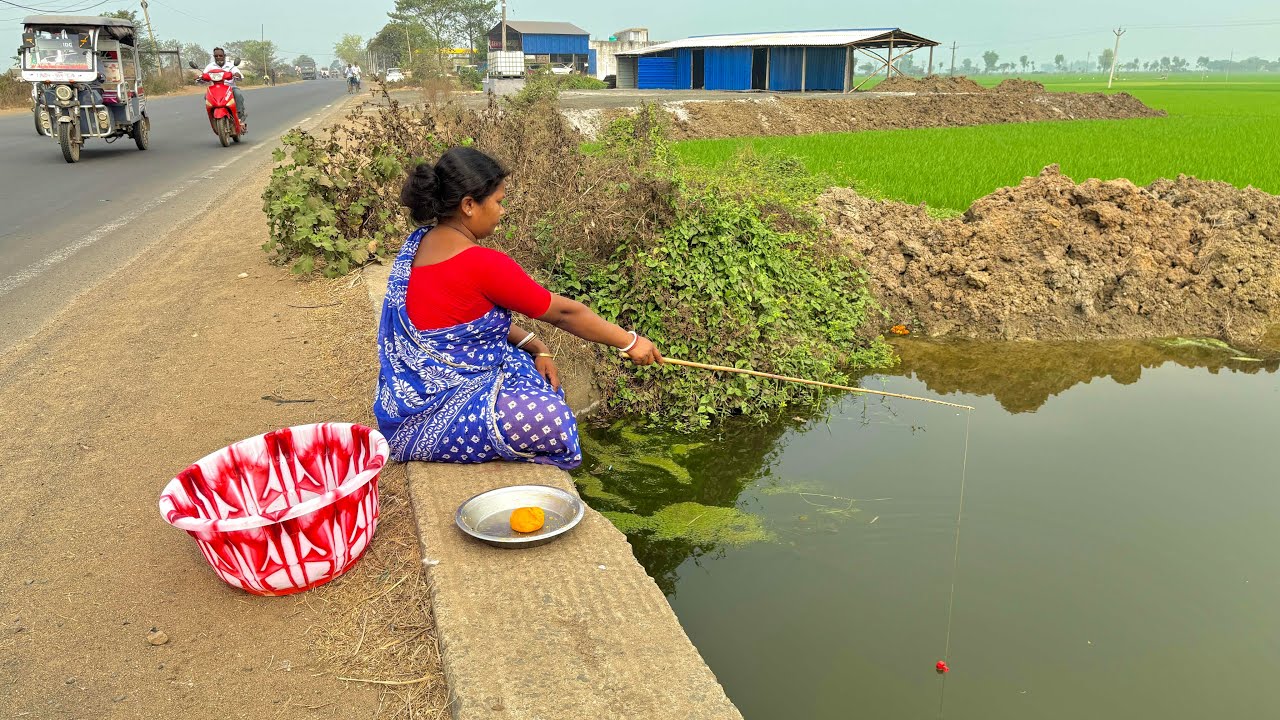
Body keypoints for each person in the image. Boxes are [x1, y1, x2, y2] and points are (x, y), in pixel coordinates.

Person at [374, 147, 661, 467]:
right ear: (469, 205)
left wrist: (536, 345)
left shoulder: (420, 242)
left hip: (403, 401)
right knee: (556, 422)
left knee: (531, 367)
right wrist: (630, 342)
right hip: (434, 411)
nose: (502, 211)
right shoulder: (483, 264)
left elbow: (463, 321)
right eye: (498, 201)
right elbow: (565, 314)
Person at [204, 47, 246, 120]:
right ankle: (212, 115)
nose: (218, 57)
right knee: (206, 96)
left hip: (230, 88)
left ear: (224, 56)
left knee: (238, 94)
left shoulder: (231, 66)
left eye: (220, 56)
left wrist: (237, 74)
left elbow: (239, 77)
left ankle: (240, 114)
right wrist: (198, 77)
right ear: (214, 57)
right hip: (215, 89)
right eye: (216, 56)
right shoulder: (210, 66)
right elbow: (203, 76)